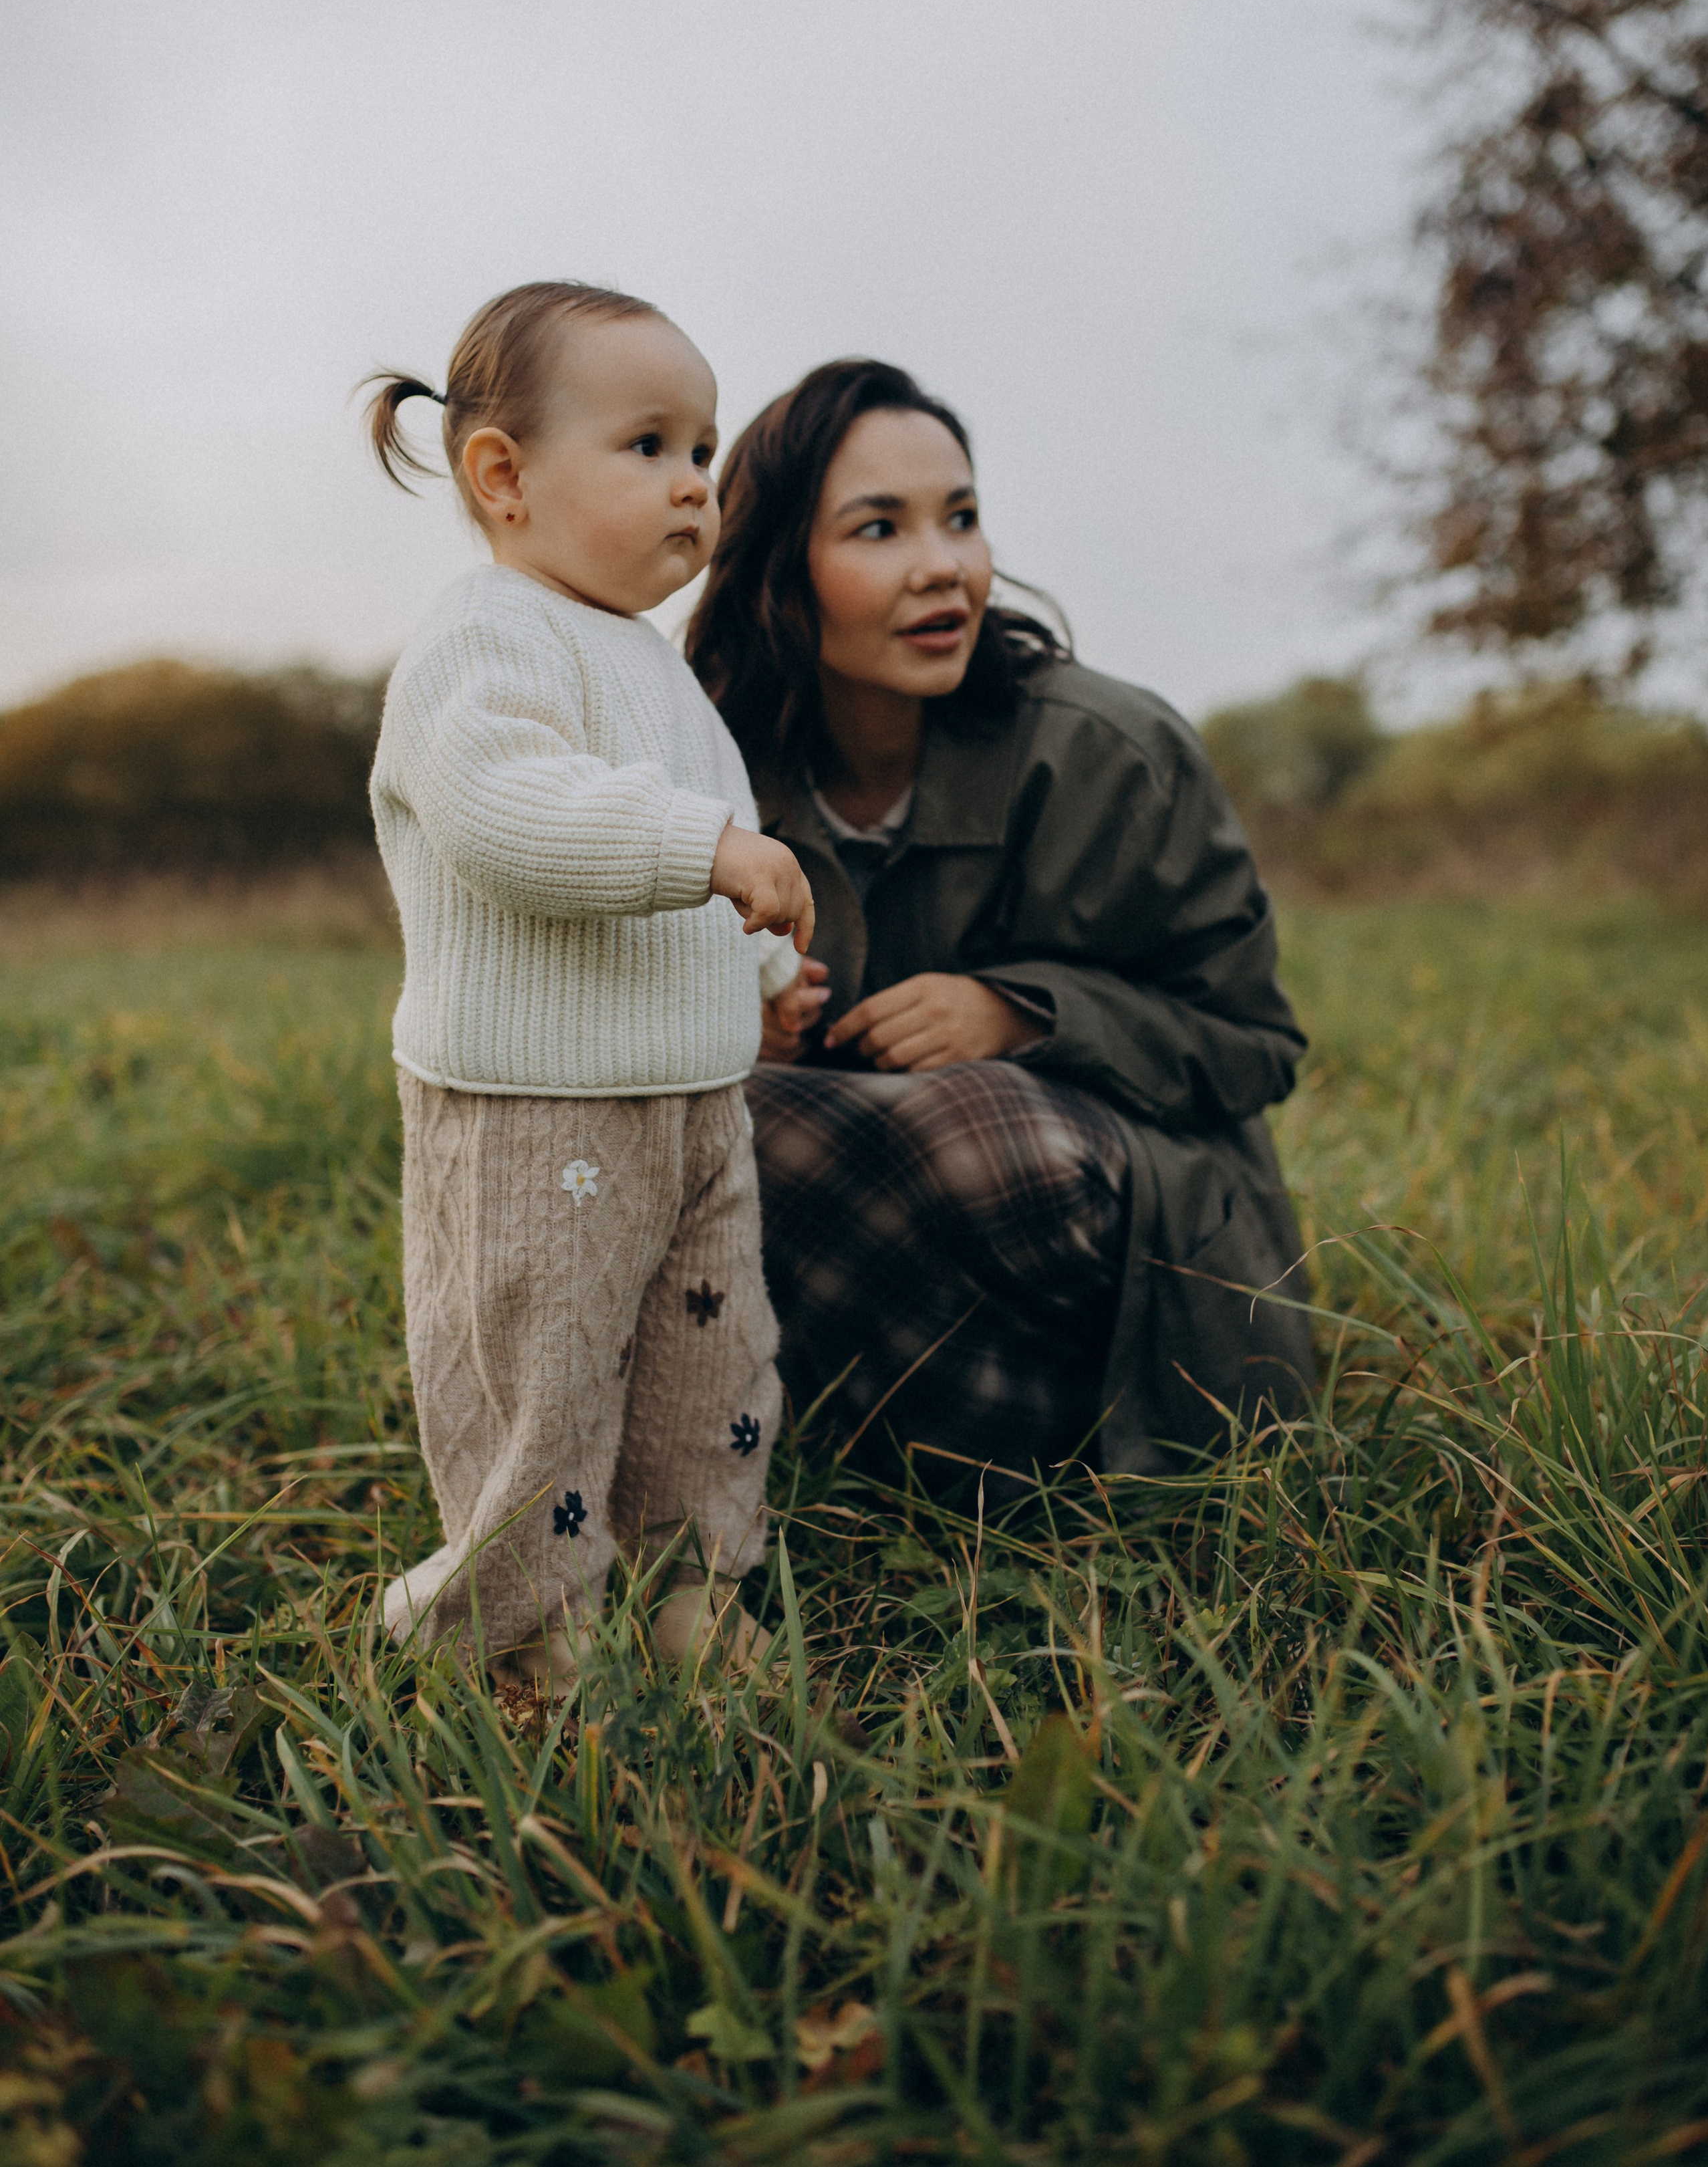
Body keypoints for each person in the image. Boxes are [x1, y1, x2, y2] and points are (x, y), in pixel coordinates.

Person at [685, 358, 1314, 1496]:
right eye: (880, 527)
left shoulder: (1111, 752)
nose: (944, 566)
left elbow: (1254, 1042)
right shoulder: (707, 770)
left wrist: (1023, 1015)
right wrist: (737, 1033)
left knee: (973, 1126)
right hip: (862, 1252)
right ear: (782, 566)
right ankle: (913, 1451)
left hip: (1122, 1260)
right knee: (673, 1119)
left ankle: (1060, 1449)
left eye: (961, 518)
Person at [364, 281, 813, 1692]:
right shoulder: (481, 638)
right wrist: (710, 851)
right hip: (530, 1118)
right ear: (502, 476)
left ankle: (694, 1591)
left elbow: (693, 871)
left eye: (703, 449)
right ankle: (511, 1640)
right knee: (541, 1391)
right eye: (649, 445)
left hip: (690, 1115)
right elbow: (513, 816)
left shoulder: (663, 674)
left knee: (708, 1377)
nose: (693, 484)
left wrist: (762, 977)